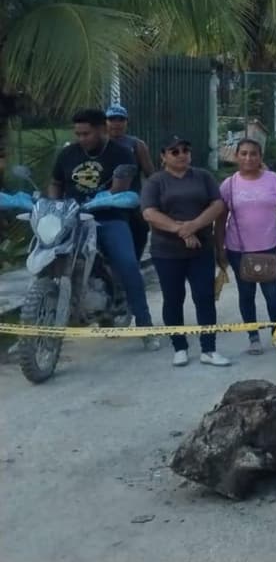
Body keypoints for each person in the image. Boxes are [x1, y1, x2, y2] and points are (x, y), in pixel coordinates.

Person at [49, 108, 156, 349]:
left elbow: (120, 187)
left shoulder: (122, 153)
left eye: (86, 133)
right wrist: (53, 204)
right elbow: (55, 183)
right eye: (78, 133)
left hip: (109, 218)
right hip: (71, 219)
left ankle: (146, 325)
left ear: (100, 130)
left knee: (128, 265)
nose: (81, 138)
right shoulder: (67, 154)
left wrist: (97, 201)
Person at [141, 136, 230, 366]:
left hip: (201, 249)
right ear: (163, 156)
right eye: (175, 151)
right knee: (173, 299)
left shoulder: (203, 176)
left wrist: (194, 226)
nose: (181, 155)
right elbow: (150, 213)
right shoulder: (156, 181)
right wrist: (181, 230)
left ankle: (209, 349)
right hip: (167, 251)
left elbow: (218, 205)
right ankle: (179, 346)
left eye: (185, 150)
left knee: (205, 297)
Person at [215, 138, 276, 355]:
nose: (249, 158)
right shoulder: (228, 185)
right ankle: (253, 336)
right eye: (244, 154)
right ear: (236, 157)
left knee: (272, 294)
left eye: (253, 154)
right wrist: (220, 247)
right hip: (238, 249)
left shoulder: (273, 180)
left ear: (260, 156)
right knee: (246, 293)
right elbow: (220, 219)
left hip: (268, 247)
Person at [105, 104, 155, 260]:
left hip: (130, 203)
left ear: (126, 122)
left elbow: (150, 175)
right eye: (112, 119)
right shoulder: (98, 145)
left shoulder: (136, 145)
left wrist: (150, 201)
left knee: (138, 235)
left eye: (121, 119)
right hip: (102, 202)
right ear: (105, 122)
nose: (116, 123)